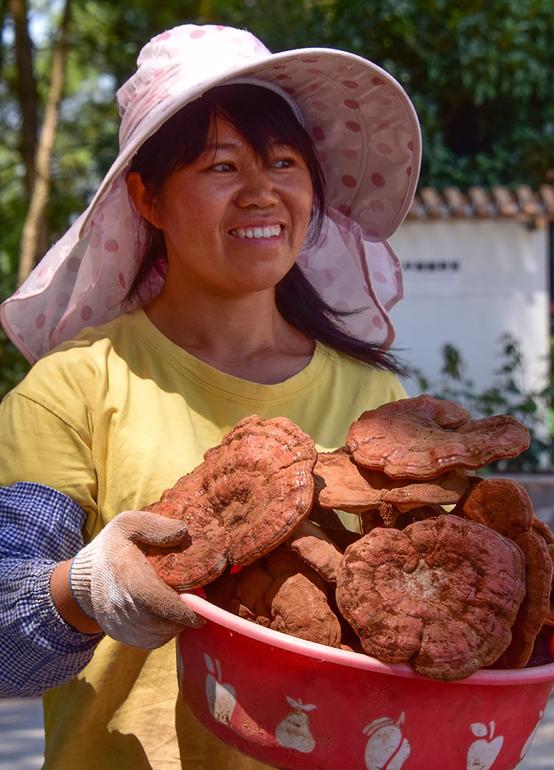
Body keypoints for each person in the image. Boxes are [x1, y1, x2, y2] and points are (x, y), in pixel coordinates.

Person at [0, 22, 421, 770]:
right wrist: (85, 588)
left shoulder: (379, 405)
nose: (263, 190)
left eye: (284, 162)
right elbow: (3, 642)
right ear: (148, 198)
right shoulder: (72, 390)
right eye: (221, 165)